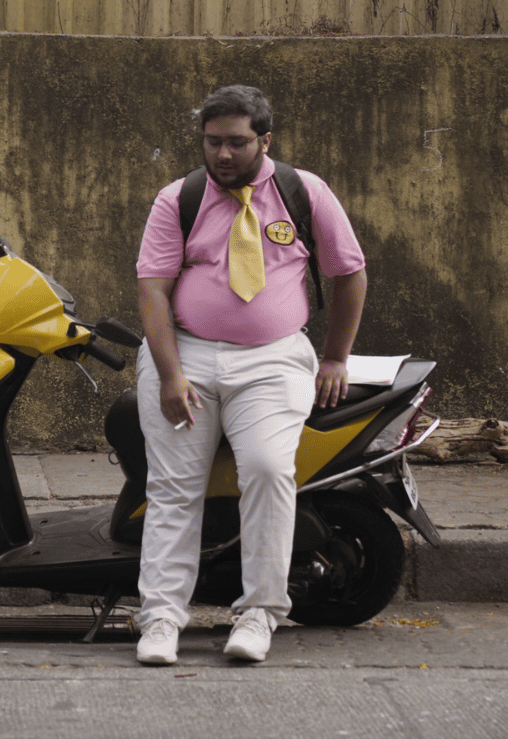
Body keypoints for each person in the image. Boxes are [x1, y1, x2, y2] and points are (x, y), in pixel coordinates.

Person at [130, 84, 368, 665]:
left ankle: (260, 611)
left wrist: (335, 357)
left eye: (237, 142)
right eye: (212, 142)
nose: (223, 154)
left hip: (272, 360)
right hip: (185, 354)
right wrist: (169, 375)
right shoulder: (178, 198)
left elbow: (350, 272)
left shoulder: (304, 193)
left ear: (265, 140)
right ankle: (160, 618)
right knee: (173, 486)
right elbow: (153, 290)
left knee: (267, 469)